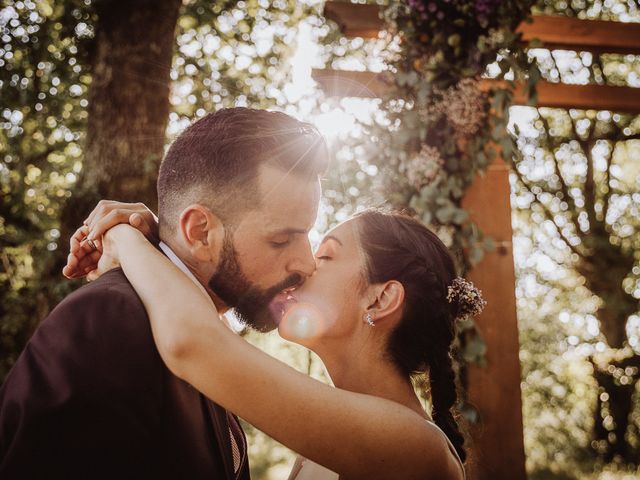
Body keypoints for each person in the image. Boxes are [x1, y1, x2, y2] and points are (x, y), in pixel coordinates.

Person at [0, 107, 328, 479]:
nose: (306, 262)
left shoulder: (213, 343)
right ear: (200, 232)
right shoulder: (109, 322)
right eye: (281, 238)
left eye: (307, 235)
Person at [64, 202, 485, 479]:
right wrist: (166, 244)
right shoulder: (325, 442)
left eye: (326, 256)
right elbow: (192, 322)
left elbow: (194, 341)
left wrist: (124, 238)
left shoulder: (416, 448)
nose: (302, 266)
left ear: (381, 298)